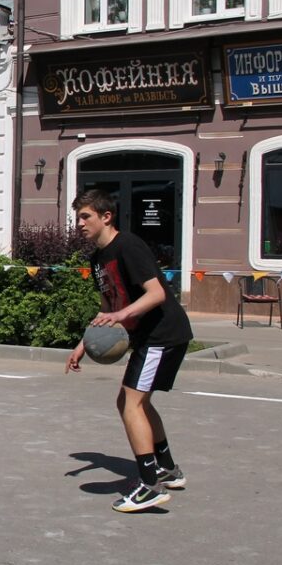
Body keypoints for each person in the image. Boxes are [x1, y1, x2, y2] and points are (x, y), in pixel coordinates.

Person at [65, 189, 193, 513]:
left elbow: (156, 294)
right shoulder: (98, 259)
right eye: (77, 217)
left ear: (106, 217)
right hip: (149, 336)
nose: (79, 223)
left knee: (129, 402)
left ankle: (150, 485)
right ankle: (167, 469)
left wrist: (123, 315)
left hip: (162, 333)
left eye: (85, 216)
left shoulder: (129, 246)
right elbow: (108, 306)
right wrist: (84, 344)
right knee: (139, 401)